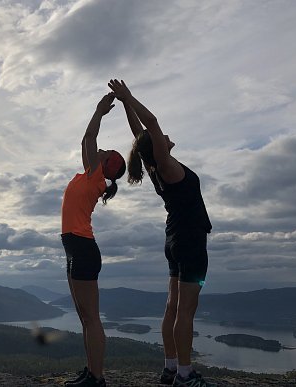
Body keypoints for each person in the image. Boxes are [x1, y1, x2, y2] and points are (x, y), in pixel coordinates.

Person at [108, 79, 212, 387]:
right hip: (191, 242)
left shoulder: (155, 166)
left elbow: (139, 134)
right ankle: (184, 374)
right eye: (160, 137)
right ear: (157, 147)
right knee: (186, 311)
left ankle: (169, 369)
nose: (165, 135)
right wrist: (128, 96)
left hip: (174, 241)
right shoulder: (165, 165)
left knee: (171, 307)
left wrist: (126, 104)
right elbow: (150, 124)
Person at [61, 93, 126, 387]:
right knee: (85, 318)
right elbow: (88, 142)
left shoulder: (94, 176)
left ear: (106, 164)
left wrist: (99, 112)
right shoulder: (92, 177)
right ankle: (91, 372)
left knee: (92, 318)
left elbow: (88, 137)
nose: (101, 149)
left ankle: (97, 378)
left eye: (106, 150)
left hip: (82, 249)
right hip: (75, 248)